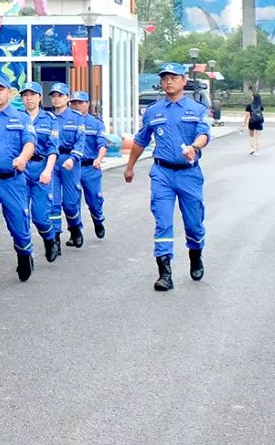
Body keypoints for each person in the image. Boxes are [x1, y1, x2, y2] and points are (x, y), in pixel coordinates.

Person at [124, 62, 210, 291]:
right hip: (162, 173)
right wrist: (130, 166)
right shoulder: (153, 111)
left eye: (173, 77)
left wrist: (194, 147)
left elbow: (204, 134)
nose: (168, 81)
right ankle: (165, 273)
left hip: (189, 174)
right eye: (165, 78)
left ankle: (195, 254)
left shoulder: (197, 109)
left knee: (193, 224)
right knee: (162, 221)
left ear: (184, 81)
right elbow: (140, 140)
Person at [0, 73, 36, 290]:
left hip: (12, 181)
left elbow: (30, 143)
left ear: (9, 92)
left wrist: (23, 158)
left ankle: (24, 254)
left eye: (0, 89)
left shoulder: (21, 118)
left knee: (19, 226)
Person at [19, 83, 61, 261]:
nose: (28, 98)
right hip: (21, 170)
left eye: (32, 94)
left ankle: (50, 238)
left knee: (39, 215)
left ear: (39, 97)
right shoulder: (17, 118)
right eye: (25, 95)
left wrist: (48, 170)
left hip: (41, 168)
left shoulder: (49, 119)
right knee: (20, 215)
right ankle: (25, 253)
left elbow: (53, 148)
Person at [48, 83, 85, 249]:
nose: (56, 99)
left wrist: (73, 158)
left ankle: (75, 227)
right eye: (54, 96)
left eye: (60, 95)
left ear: (67, 98)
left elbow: (80, 141)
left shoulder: (76, 118)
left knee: (70, 202)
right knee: (53, 201)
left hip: (69, 161)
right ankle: (55, 237)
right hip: (51, 162)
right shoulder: (47, 118)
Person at [71, 91, 107, 238]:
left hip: (90, 167)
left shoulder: (96, 123)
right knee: (71, 201)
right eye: (74, 103)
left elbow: (102, 144)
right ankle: (75, 231)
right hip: (73, 167)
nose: (77, 106)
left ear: (87, 104)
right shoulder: (67, 122)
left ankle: (98, 220)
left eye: (80, 103)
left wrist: (99, 159)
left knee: (94, 199)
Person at [245, 86, 263, 155]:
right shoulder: (260, 105)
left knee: (251, 136)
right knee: (258, 137)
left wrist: (244, 123)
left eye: (252, 96)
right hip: (259, 122)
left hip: (252, 122)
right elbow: (261, 114)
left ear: (254, 98)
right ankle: (257, 151)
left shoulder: (249, 105)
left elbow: (247, 115)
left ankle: (252, 148)